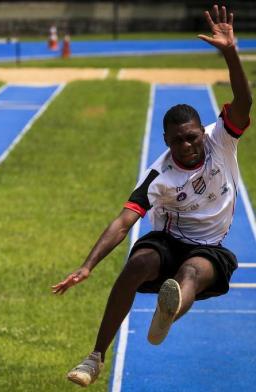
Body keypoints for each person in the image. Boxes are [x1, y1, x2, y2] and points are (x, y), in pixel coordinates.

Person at [52, 4, 252, 388]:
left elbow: (243, 102)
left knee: (192, 273)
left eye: (192, 136)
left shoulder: (221, 139)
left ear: (201, 130)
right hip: (169, 239)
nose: (188, 145)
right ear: (166, 142)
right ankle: (95, 357)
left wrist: (230, 52)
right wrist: (88, 265)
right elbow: (125, 220)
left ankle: (168, 309)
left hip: (210, 245)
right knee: (138, 261)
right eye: (178, 141)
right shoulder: (159, 175)